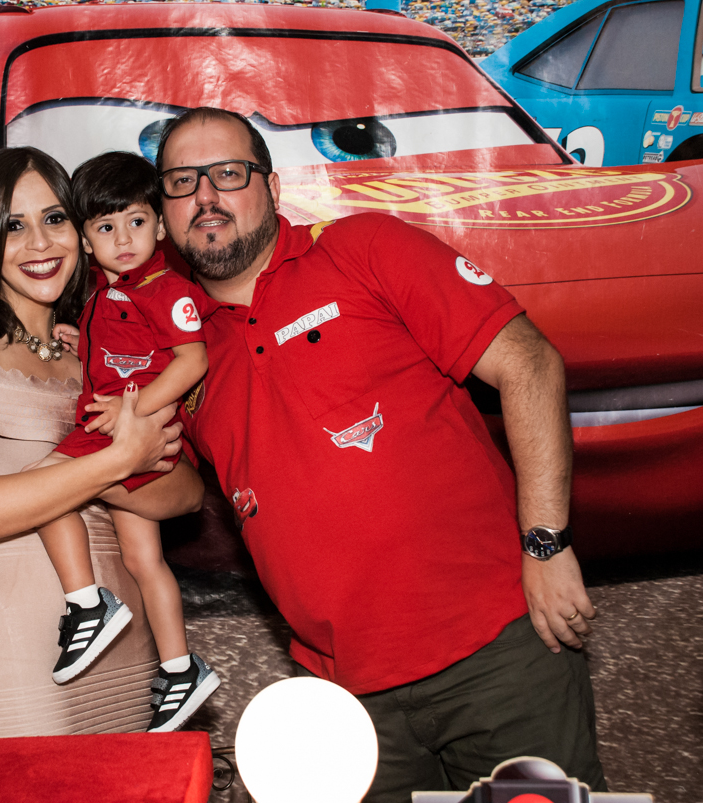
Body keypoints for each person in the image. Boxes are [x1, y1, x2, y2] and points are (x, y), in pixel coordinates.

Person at [154, 107, 605, 801]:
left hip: (499, 654)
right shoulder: (181, 354)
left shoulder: (362, 248)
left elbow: (530, 363)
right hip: (344, 701)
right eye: (182, 181)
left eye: (228, 173)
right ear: (163, 211)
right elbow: (169, 491)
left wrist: (546, 543)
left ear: (272, 187)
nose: (206, 195)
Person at [0, 147, 203, 739]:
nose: (40, 243)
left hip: (129, 649)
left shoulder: (98, 353)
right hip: (11, 647)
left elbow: (185, 494)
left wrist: (119, 465)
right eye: (13, 225)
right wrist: (119, 460)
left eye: (55, 218)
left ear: (81, 232)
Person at [25, 151, 220, 732]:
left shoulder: (165, 289)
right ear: (86, 242)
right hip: (125, 430)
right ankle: (180, 669)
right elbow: (124, 354)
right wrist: (80, 341)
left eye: (137, 221)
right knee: (143, 559)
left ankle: (87, 602)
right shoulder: (102, 295)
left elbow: (192, 361)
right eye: (106, 228)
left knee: (41, 487)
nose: (124, 239)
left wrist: (135, 409)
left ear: (160, 226)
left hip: (135, 432)